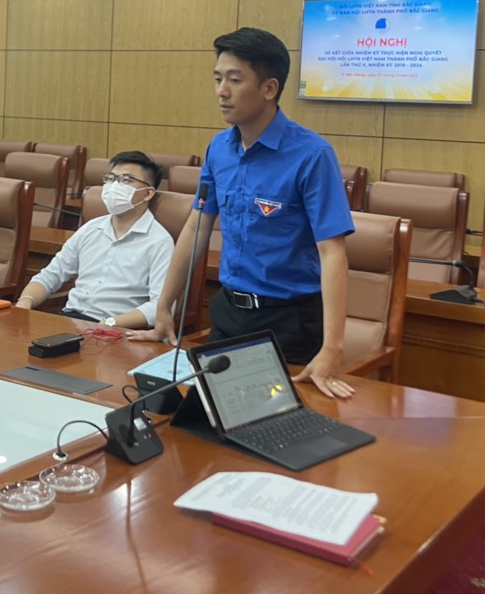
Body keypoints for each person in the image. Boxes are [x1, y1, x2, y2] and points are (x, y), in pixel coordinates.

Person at [131, 27, 356, 400]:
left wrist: (332, 348)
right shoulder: (219, 148)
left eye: (234, 80)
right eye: (218, 79)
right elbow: (197, 227)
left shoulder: (312, 155)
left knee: (279, 425)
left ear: (269, 88)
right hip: (228, 314)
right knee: (199, 416)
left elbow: (332, 252)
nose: (222, 91)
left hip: (290, 323)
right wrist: (163, 306)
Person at [15, 151, 173, 329]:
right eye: (110, 179)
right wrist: (25, 302)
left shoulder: (159, 242)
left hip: (116, 330)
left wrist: (109, 323)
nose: (114, 186)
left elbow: (160, 306)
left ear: (147, 193)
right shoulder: (90, 228)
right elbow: (50, 276)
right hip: (70, 322)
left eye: (126, 180)